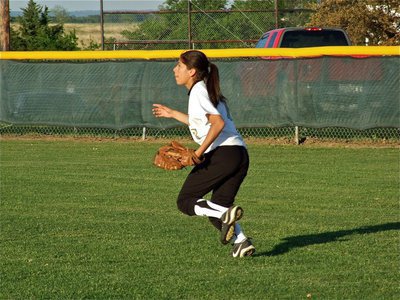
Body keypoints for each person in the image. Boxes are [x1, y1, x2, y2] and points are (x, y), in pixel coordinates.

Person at [152, 50, 255, 258]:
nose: (174, 69)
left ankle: (227, 216)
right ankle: (242, 242)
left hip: (222, 154)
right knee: (216, 208)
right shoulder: (205, 89)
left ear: (192, 71)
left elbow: (218, 123)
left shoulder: (199, 91)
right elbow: (202, 121)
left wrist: (197, 153)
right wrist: (173, 114)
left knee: (186, 200)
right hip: (239, 155)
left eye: (179, 66)